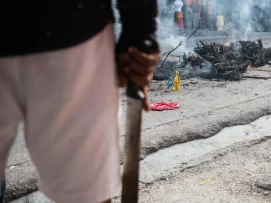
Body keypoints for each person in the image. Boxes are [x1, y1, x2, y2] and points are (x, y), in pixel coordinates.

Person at [0, 0, 160, 202]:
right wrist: (140, 28)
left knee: (86, 194)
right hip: (75, 33)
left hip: (75, 34)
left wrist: (140, 31)